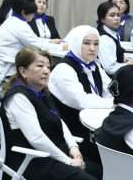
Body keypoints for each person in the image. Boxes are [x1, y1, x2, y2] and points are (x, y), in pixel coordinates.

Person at [0, 48, 107, 180]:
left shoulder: (41, 92)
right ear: (23, 71)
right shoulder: (19, 97)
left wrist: (73, 148)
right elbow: (36, 138)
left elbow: (60, 123)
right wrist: (68, 160)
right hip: (31, 162)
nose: (46, 71)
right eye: (39, 66)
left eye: (48, 66)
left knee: (104, 176)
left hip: (50, 156)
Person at [48, 25, 113, 153]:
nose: (92, 48)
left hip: (97, 124)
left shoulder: (95, 65)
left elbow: (110, 90)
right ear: (76, 43)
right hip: (73, 134)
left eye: (96, 44)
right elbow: (81, 101)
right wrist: (114, 103)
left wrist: (117, 100)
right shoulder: (64, 69)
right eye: (86, 43)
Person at [0, 0, 49, 82]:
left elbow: (33, 40)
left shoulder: (10, 20)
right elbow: (37, 46)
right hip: (8, 69)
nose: (33, 16)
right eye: (32, 13)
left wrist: (49, 42)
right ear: (23, 12)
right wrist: (54, 46)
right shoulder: (20, 26)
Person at [95, 0, 128, 75]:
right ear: (102, 19)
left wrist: (124, 58)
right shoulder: (105, 39)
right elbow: (110, 69)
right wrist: (128, 65)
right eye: (112, 15)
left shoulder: (112, 32)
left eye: (118, 15)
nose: (116, 18)